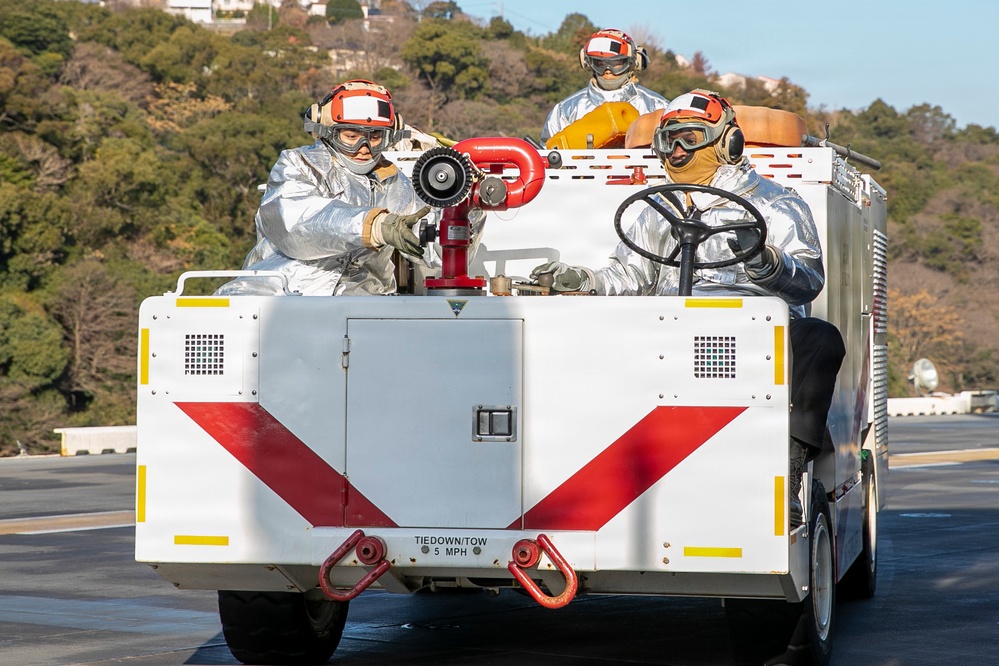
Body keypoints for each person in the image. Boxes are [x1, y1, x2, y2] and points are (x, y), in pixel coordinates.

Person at [532, 90, 845, 527]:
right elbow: (630, 276)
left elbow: (808, 279)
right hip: (666, 331)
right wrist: (583, 281)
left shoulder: (776, 202)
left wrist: (766, 262)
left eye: (689, 138)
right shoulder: (658, 206)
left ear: (727, 143)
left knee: (821, 339)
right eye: (667, 142)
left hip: (752, 335)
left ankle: (787, 470)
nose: (676, 152)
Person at [217, 79, 433, 296]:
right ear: (327, 130)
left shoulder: (397, 184)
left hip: (360, 304)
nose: (364, 147)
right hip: (277, 296)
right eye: (351, 136)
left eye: (375, 137)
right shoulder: (298, 163)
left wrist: (461, 220)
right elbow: (294, 224)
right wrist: (374, 226)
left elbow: (430, 245)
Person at [539, 29, 668, 146]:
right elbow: (548, 154)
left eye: (616, 63)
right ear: (588, 64)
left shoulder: (658, 107)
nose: (608, 70)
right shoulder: (565, 110)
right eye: (600, 63)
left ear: (633, 63)